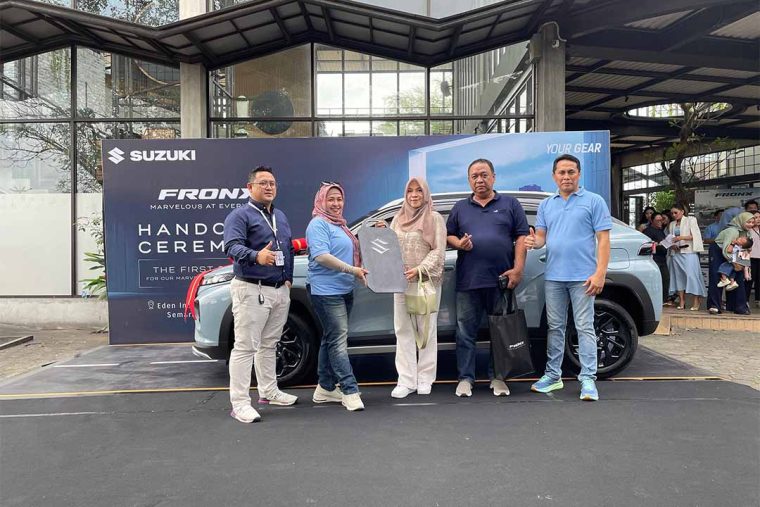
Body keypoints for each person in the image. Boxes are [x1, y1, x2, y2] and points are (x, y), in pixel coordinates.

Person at [525, 154, 612, 402]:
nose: (566, 177)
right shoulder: (546, 205)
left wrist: (600, 273)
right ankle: (553, 376)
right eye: (561, 172)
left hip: (584, 277)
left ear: (579, 174)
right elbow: (541, 237)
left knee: (584, 327)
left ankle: (588, 379)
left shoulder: (594, 201)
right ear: (554, 176)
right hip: (553, 277)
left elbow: (603, 240)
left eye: (571, 172)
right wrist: (533, 242)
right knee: (555, 328)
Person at [446, 158, 529, 398]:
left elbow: (522, 237)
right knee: (464, 332)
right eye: (474, 176)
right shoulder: (460, 207)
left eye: (484, 175)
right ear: (469, 180)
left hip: (501, 280)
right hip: (468, 281)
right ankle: (465, 378)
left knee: (501, 333)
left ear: (493, 177)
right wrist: (458, 243)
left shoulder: (510, 204)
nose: (479, 180)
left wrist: (518, 269)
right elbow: (448, 235)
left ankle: (498, 377)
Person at [223, 166, 297, 424]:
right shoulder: (239, 215)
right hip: (251, 288)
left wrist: (288, 278)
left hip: (278, 290)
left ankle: (269, 391)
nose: (269, 187)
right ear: (250, 187)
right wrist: (257, 256)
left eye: (272, 183)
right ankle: (240, 404)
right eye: (263, 183)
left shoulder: (280, 216)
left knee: (269, 344)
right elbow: (231, 247)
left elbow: (287, 248)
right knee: (245, 347)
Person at [306, 182, 368, 411]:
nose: (336, 203)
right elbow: (321, 256)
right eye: (330, 199)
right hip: (326, 292)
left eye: (339, 199)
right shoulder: (318, 224)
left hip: (344, 289)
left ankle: (324, 388)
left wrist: (378, 230)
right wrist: (352, 270)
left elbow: (356, 249)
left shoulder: (340, 225)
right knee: (338, 342)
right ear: (321, 201)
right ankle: (349, 390)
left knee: (331, 338)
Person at [384, 178, 446, 398]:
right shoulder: (397, 219)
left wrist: (420, 269)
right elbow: (390, 249)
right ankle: (406, 380)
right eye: (410, 191)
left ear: (425, 194)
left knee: (426, 330)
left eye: (419, 190)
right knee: (403, 330)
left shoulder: (434, 218)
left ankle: (425, 378)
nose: (414, 195)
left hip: (425, 282)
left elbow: (438, 250)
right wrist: (382, 233)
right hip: (401, 283)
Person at [708, 212, 756, 315]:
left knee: (738, 277)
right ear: (741, 221)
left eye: (752, 222)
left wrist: (742, 264)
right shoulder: (732, 231)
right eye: (748, 222)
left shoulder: (747, 233)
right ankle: (714, 306)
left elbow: (746, 250)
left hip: (733, 254)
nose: (751, 225)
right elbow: (726, 250)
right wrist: (734, 263)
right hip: (719, 251)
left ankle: (739, 307)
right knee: (717, 276)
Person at [667, 203, 706, 311]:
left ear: (682, 212)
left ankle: (696, 300)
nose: (674, 215)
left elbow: (695, 235)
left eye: (676, 212)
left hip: (688, 252)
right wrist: (672, 245)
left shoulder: (691, 220)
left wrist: (681, 238)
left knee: (691, 276)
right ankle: (682, 301)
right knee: (678, 277)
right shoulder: (672, 224)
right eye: (672, 213)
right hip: (676, 253)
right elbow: (671, 238)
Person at [642, 213, 669, 304]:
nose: (660, 222)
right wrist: (655, 244)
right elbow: (645, 245)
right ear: (652, 221)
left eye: (661, 220)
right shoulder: (647, 231)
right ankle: (655, 301)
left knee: (665, 279)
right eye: (658, 220)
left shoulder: (661, 231)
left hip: (663, 259)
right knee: (655, 281)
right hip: (654, 259)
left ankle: (664, 300)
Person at [748, 212, 760, 307]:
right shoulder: (748, 231)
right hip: (751, 258)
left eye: (759, 217)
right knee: (749, 279)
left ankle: (758, 300)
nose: (758, 219)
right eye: (756, 217)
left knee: (759, 280)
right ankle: (745, 300)